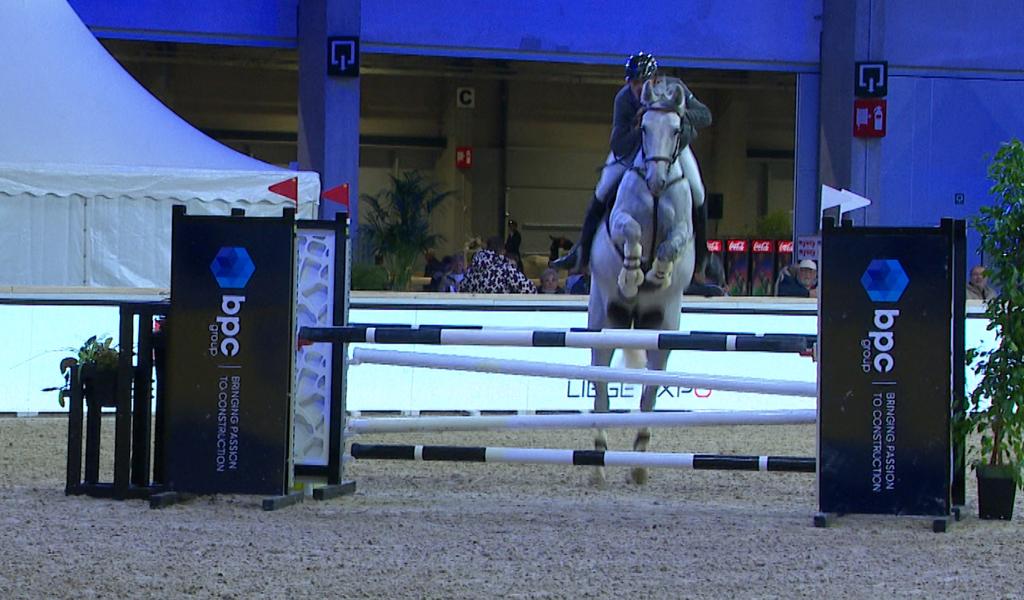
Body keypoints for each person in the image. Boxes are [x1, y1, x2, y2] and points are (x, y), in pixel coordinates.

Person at [551, 51, 712, 273]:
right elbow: (618, 144)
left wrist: (680, 115)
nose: (638, 88)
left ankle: (704, 259)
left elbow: (706, 115)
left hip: (672, 149)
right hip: (634, 151)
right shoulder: (624, 99)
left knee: (698, 192)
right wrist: (640, 129)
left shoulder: (676, 89)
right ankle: (582, 252)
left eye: (643, 82)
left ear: (654, 79)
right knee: (603, 189)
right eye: (634, 82)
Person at [460, 236, 537, 294]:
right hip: (501, 313)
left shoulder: (471, 271)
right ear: (503, 251)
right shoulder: (506, 270)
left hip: (475, 313)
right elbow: (530, 290)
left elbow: (461, 290)